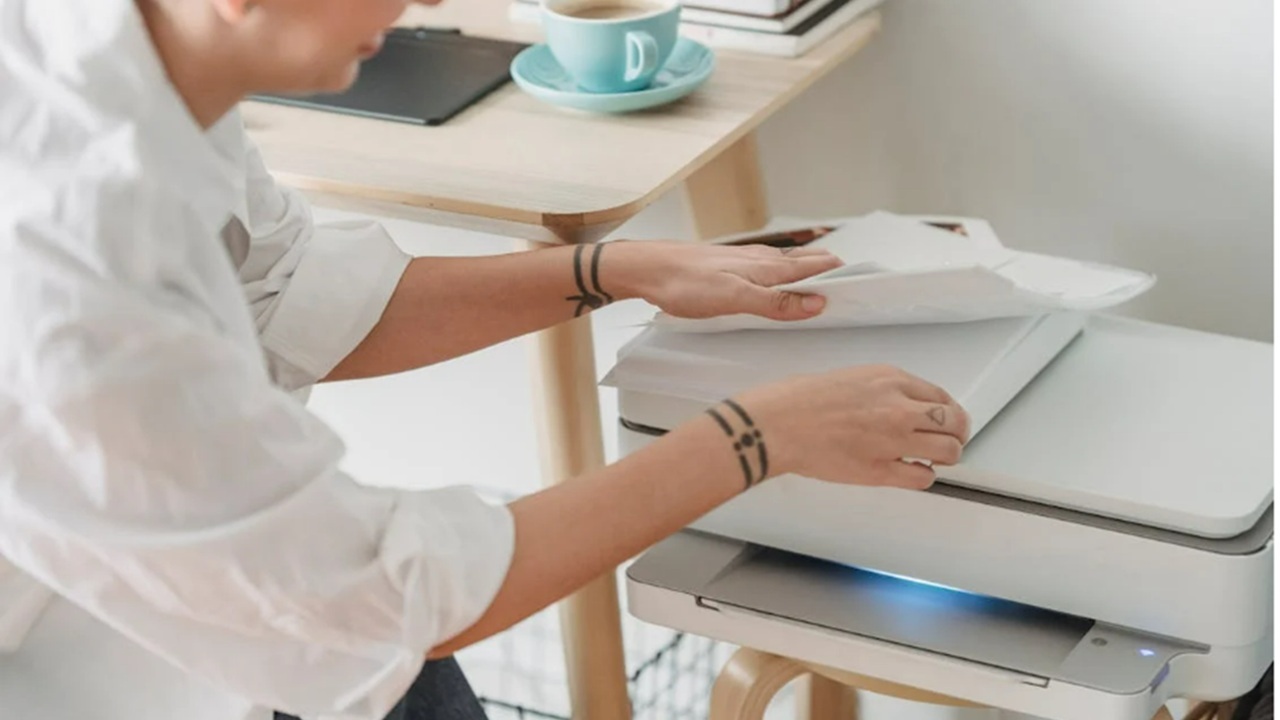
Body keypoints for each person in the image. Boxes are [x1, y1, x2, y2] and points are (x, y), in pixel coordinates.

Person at [0, 0, 970, 718]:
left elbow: (286, 293)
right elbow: (383, 598)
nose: (420, 5)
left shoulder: (142, 63)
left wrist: (617, 268)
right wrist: (754, 438)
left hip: (246, 593)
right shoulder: (76, 261)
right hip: (90, 661)